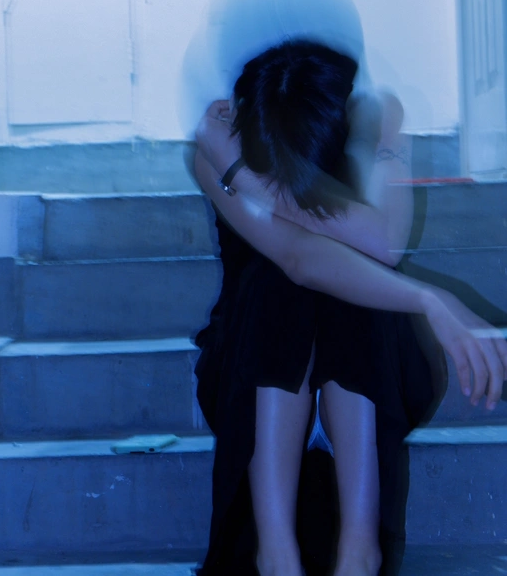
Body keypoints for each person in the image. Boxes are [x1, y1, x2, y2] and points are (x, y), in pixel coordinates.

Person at [191, 39, 507, 576]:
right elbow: (297, 258)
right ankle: (277, 555)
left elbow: (383, 243)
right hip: (255, 373)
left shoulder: (368, 122)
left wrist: (248, 177)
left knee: (351, 280)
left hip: (373, 368)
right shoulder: (219, 143)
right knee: (280, 279)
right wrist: (430, 299)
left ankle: (359, 553)